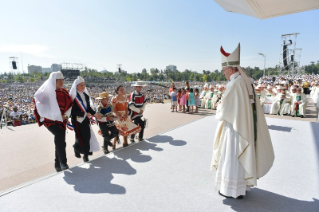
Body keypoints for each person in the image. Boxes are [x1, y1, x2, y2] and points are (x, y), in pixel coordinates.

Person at [211, 43, 274, 199]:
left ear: (231, 69)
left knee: (232, 155)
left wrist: (219, 106)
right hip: (241, 124)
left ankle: (230, 189)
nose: (223, 73)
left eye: (224, 70)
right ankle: (239, 187)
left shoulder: (235, 83)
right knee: (237, 156)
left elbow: (225, 108)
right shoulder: (244, 81)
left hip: (234, 127)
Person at [33, 71, 73, 172]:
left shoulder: (64, 92)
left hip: (61, 120)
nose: (61, 82)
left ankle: (57, 164)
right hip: (49, 121)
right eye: (58, 80)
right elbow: (39, 104)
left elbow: (69, 105)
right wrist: (51, 115)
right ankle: (63, 162)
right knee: (59, 137)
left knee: (60, 141)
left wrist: (65, 115)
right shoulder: (45, 92)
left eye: (62, 80)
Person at [69, 76, 101, 163]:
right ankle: (77, 148)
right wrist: (84, 113)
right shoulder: (73, 97)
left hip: (85, 120)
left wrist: (95, 114)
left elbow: (88, 108)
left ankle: (85, 155)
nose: (83, 87)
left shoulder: (86, 96)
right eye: (81, 85)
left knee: (87, 137)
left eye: (84, 85)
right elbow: (72, 111)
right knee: (80, 137)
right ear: (76, 86)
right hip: (77, 120)